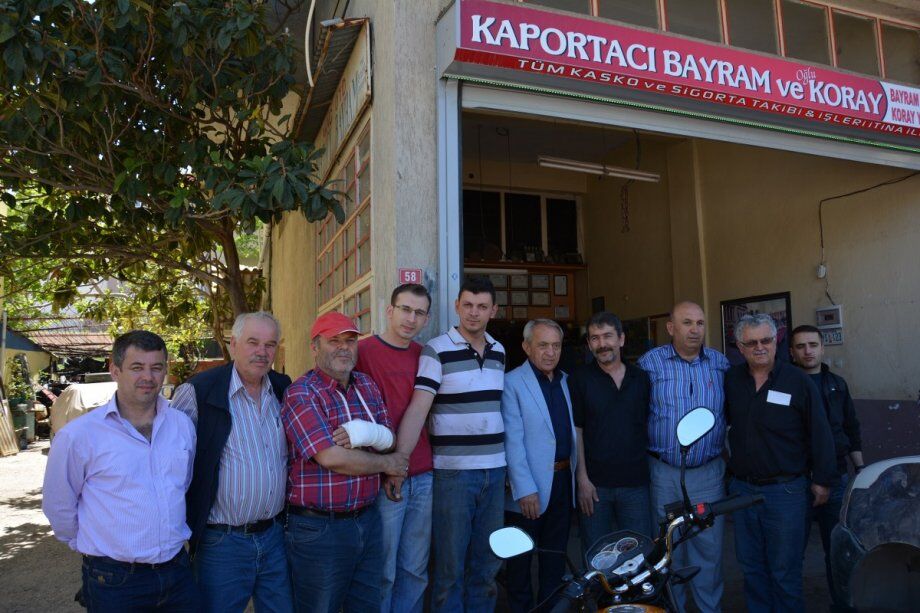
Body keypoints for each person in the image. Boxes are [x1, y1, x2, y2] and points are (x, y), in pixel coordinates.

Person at [42, 330, 200, 612]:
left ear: (165, 370)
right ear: (115, 370)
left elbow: (183, 484)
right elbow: (59, 506)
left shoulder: (182, 425)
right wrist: (95, 548)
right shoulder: (79, 436)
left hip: (177, 571)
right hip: (115, 581)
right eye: (137, 367)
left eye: (156, 367)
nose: (148, 377)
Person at [282, 311, 408, 613]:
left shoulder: (366, 385)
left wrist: (369, 436)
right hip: (319, 530)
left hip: (367, 520)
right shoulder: (302, 393)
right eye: (334, 341)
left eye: (350, 341)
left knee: (366, 606)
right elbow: (331, 457)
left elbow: (389, 438)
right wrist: (387, 464)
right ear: (314, 347)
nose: (344, 347)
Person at [395, 276, 507, 612]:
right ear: (457, 306)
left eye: (482, 306)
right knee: (449, 569)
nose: (474, 312)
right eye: (467, 305)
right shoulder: (437, 350)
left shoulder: (500, 351)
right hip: (453, 475)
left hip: (495, 471)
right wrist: (399, 461)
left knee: (487, 566)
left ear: (493, 310)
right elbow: (419, 408)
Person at [171, 312, 293, 612]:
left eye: (270, 344)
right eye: (253, 342)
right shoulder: (198, 391)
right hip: (222, 543)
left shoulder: (282, 388)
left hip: (274, 537)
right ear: (233, 344)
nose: (262, 352)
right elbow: (171, 467)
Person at [725, 313, 837, 613]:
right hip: (742, 492)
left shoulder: (797, 381)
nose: (759, 347)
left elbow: (820, 432)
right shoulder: (732, 380)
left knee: (785, 571)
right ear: (740, 346)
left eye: (765, 340)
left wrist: (822, 480)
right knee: (752, 569)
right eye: (751, 343)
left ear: (776, 341)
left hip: (785, 492)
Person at [638, 301, 731, 613]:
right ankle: (674, 608)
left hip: (708, 473)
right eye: (687, 323)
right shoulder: (650, 364)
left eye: (700, 323)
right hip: (664, 473)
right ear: (670, 328)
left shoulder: (719, 363)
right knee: (669, 549)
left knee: (709, 549)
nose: (695, 330)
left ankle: (709, 609)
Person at [354, 284, 433, 613]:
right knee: (382, 570)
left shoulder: (426, 356)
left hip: (423, 473)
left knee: (415, 569)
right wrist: (386, 466)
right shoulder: (362, 352)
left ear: (426, 319)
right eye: (405, 309)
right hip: (381, 475)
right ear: (389, 311)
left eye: (419, 313)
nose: (411, 318)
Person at [501, 318, 577, 613]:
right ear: (526, 347)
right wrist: (524, 489)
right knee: (519, 564)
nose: (550, 352)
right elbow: (513, 440)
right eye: (543, 345)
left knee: (555, 559)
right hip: (528, 489)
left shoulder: (566, 381)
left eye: (556, 346)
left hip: (562, 482)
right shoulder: (512, 383)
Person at [790, 324, 864, 611]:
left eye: (812, 345)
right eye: (800, 346)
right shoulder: (785, 384)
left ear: (822, 347)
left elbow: (851, 428)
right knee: (791, 553)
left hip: (836, 480)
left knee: (838, 550)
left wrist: (860, 470)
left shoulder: (838, 384)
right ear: (792, 352)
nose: (807, 351)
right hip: (796, 483)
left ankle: (842, 606)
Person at [569, 311, 652, 552]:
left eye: (607, 336)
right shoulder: (579, 380)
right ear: (589, 344)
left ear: (621, 339)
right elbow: (577, 431)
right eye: (595, 338)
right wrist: (582, 480)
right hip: (595, 487)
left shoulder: (641, 379)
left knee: (638, 554)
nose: (602, 344)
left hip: (635, 484)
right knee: (597, 556)